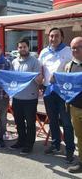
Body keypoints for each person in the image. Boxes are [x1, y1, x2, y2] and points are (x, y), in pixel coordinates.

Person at [38, 28, 75, 163]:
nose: (53, 38)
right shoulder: (43, 52)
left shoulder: (68, 51)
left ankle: (70, 150)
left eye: (56, 36)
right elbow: (40, 69)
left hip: (64, 92)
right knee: (52, 120)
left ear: (62, 37)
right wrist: (41, 77)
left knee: (66, 122)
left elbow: (74, 69)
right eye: (51, 36)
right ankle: (55, 145)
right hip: (49, 91)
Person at [10, 39, 42, 154]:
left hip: (30, 98)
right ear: (17, 49)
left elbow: (39, 80)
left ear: (28, 48)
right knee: (18, 122)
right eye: (20, 47)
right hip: (17, 97)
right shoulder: (14, 62)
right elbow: (11, 78)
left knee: (30, 123)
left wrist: (34, 77)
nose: (22, 49)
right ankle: (21, 141)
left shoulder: (35, 62)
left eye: (24, 47)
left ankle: (29, 145)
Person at [66, 37, 82, 173]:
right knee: (80, 136)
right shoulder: (69, 65)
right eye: (73, 48)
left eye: (78, 47)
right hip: (75, 108)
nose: (75, 50)